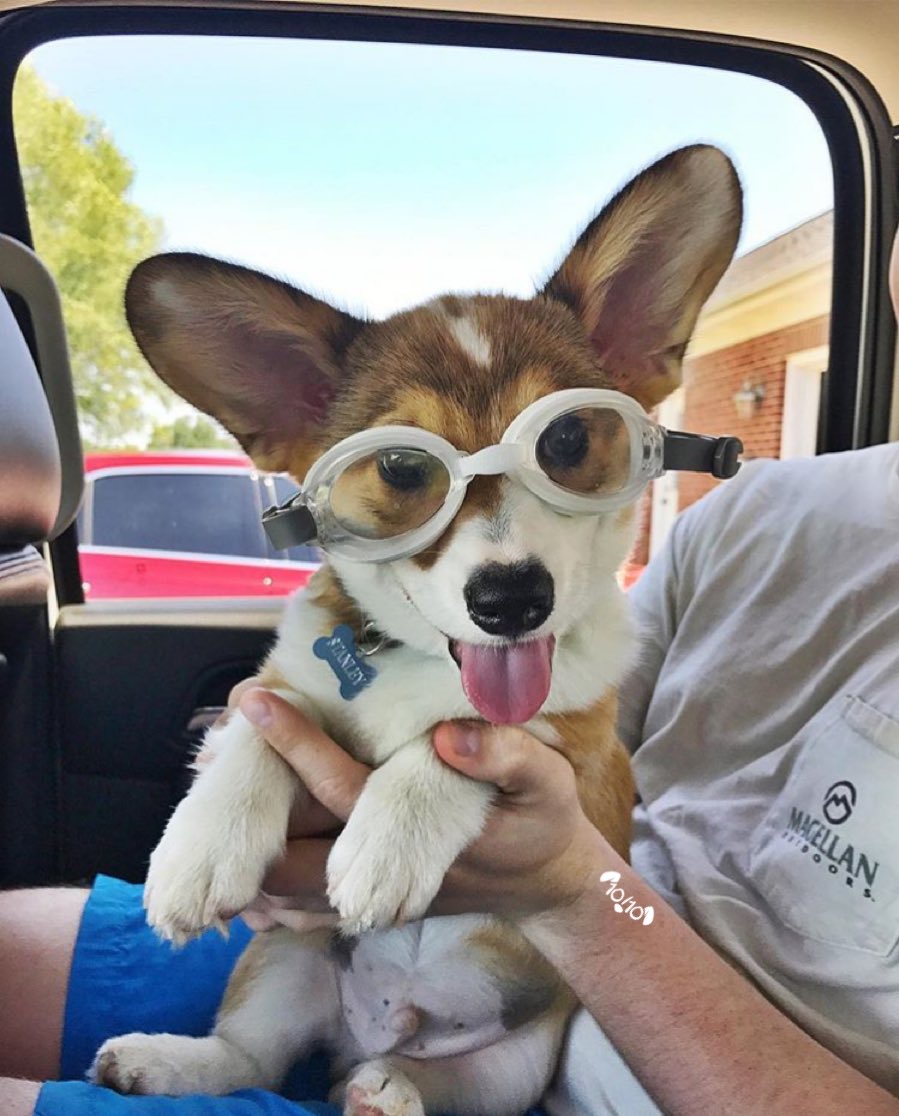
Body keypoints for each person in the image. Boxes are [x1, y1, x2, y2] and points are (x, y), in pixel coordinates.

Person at [3, 245, 899, 1116]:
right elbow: (586, 742)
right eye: (403, 467)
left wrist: (555, 879)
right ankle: (244, 1053)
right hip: (422, 929)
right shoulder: (750, 514)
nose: (502, 547)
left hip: (554, 1013)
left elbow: (570, 759)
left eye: (563, 439)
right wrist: (253, 767)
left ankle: (426, 1086)